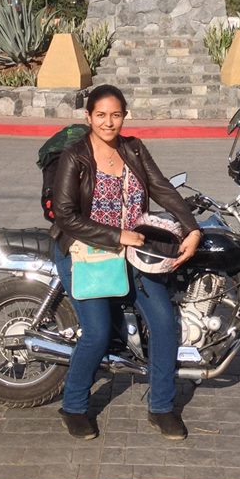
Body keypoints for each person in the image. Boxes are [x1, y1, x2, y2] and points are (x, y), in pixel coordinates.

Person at [52, 84, 201, 441]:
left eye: (115, 115)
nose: (108, 122)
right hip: (85, 252)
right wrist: (117, 235)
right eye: (100, 115)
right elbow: (64, 215)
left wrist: (191, 228)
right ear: (88, 117)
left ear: (124, 116)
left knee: (166, 325)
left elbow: (161, 186)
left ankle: (162, 407)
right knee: (99, 332)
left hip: (134, 251)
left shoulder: (133, 149)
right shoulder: (75, 157)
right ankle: (73, 405)